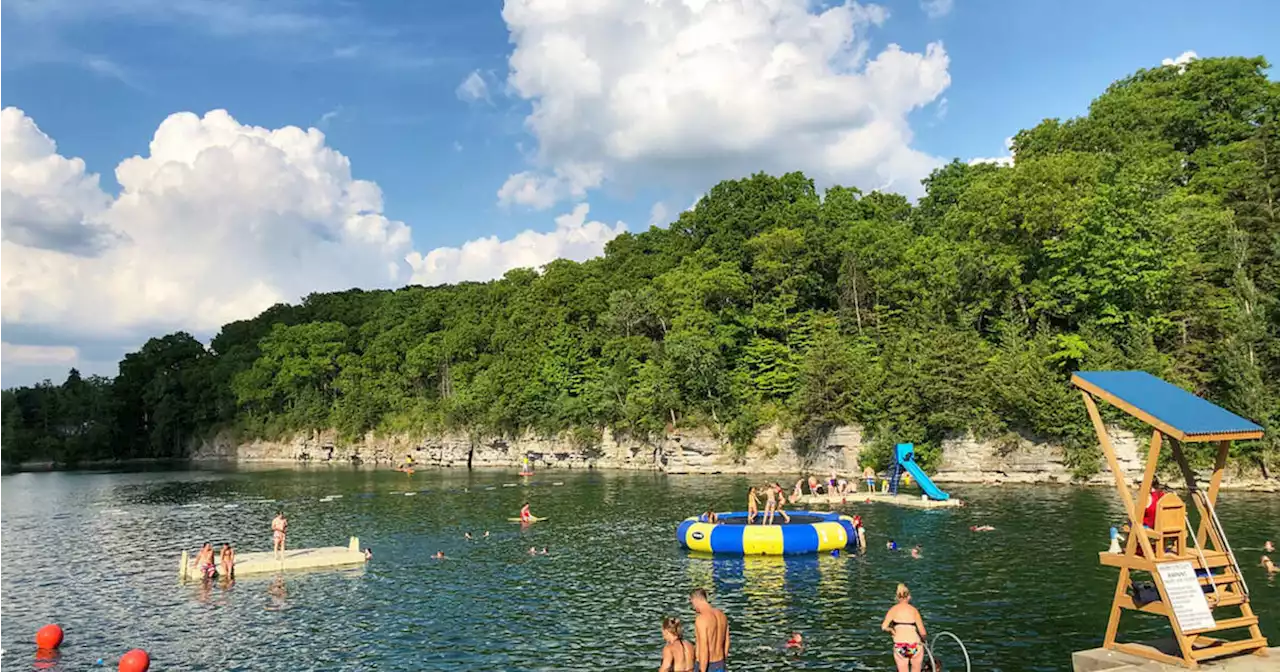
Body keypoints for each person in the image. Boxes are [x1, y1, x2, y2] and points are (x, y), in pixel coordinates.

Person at [881, 583, 927, 672]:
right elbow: (922, 632)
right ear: (909, 596)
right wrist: (924, 641)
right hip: (915, 645)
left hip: (900, 645)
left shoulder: (893, 610)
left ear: (897, 597)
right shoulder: (914, 610)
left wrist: (891, 630)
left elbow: (883, 626)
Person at [691, 588, 729, 672]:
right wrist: (723, 663)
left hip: (708, 666)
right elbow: (726, 642)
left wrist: (702, 670)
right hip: (720, 663)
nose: (693, 607)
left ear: (695, 600)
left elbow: (704, 648)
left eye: (692, 603)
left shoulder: (701, 619)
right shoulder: (722, 615)